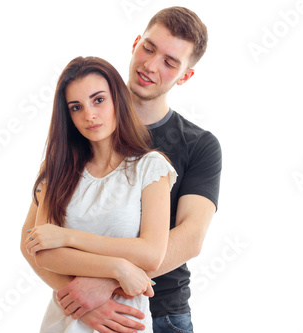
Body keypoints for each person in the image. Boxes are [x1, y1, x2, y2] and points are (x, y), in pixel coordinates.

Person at [20, 6, 222, 333]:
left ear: (186, 76)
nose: (151, 65)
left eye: (170, 62)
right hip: (80, 312)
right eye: (149, 48)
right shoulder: (79, 132)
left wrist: (106, 284)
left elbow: (190, 239)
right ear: (135, 42)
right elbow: (34, 240)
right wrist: (79, 299)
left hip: (161, 312)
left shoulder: (198, 145)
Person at [23, 56, 177, 332]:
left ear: (117, 98)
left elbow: (152, 253)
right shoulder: (57, 167)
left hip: (125, 323)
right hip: (66, 321)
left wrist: (68, 237)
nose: (89, 115)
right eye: (76, 107)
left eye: (98, 100)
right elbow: (44, 254)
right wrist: (118, 268)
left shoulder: (151, 168)